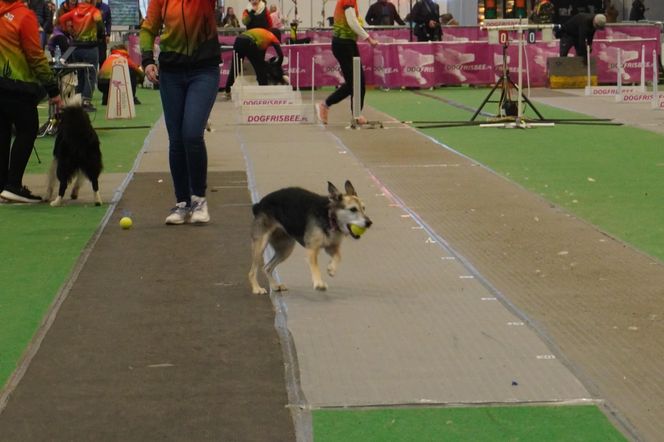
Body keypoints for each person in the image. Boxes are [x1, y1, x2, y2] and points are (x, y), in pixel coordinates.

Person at [140, 0, 220, 225]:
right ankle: (182, 202)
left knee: (192, 134)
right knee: (175, 139)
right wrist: (147, 60)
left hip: (204, 70)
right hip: (171, 73)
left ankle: (199, 200)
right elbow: (149, 28)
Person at [0, 0, 62, 203]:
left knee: (2, 132)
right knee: (27, 129)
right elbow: (35, 55)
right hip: (18, 86)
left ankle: (2, 187)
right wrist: (53, 88)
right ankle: (13, 185)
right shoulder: (24, 16)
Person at [316, 0, 379, 125]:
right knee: (355, 82)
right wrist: (369, 39)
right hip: (342, 44)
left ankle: (356, 114)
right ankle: (325, 105)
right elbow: (352, 22)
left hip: (349, 43)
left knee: (358, 81)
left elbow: (353, 21)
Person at [59, 0, 104, 111]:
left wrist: (68, 30)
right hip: (90, 47)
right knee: (90, 74)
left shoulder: (74, 11)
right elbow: (100, 24)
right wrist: (100, 36)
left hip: (76, 47)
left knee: (79, 75)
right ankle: (86, 101)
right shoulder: (94, 11)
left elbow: (61, 19)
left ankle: (78, 101)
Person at [224, 28, 284, 94]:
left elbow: (261, 58)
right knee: (260, 69)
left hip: (238, 40)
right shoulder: (272, 37)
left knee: (235, 68)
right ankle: (265, 91)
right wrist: (277, 65)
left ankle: (227, 91)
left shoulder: (264, 36)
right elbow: (281, 55)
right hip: (248, 41)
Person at [96, 0, 112, 66]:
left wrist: (108, 34)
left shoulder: (106, 7)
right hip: (90, 37)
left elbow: (108, 22)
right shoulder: (89, 6)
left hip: (101, 36)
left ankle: (102, 75)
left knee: (102, 58)